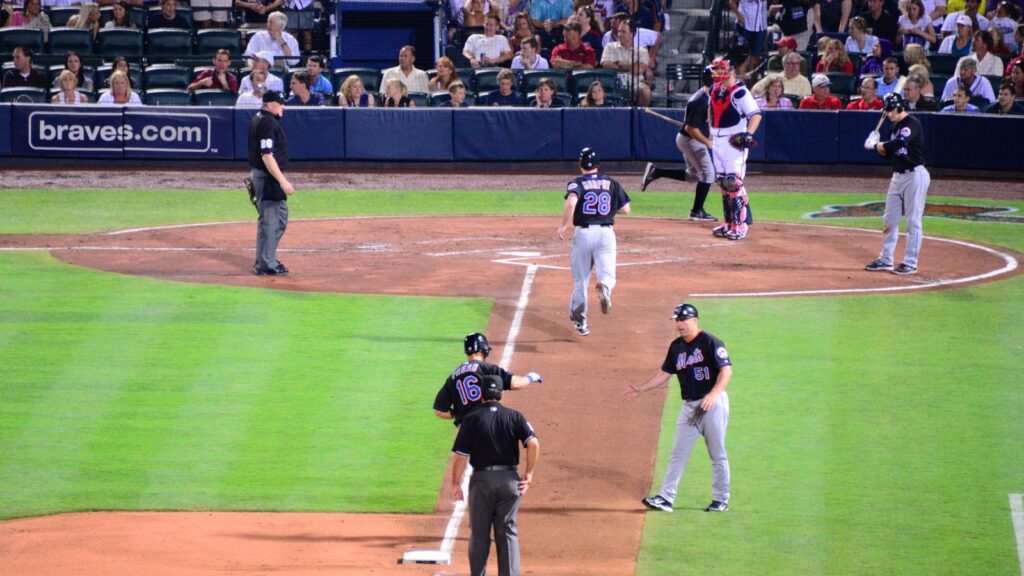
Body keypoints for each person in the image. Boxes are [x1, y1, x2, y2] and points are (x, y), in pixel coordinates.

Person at [625, 303, 733, 514]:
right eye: (677, 321)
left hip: (712, 404)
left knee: (717, 453)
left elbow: (726, 371)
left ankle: (721, 499)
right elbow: (664, 373)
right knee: (677, 454)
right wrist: (641, 388)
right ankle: (666, 498)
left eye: (682, 320)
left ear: (694, 320)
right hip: (689, 407)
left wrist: (714, 393)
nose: (679, 325)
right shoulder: (676, 347)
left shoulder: (710, 342)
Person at [449, 375, 540, 576]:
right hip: (510, 481)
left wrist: (456, 484)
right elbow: (533, 443)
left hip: (481, 482)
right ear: (500, 393)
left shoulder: (471, 419)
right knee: (507, 532)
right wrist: (529, 473)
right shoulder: (515, 416)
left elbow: (459, 457)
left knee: (479, 535)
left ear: (481, 393)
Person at [558, 147, 631, 336]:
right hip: (606, 234)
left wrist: (563, 226)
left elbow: (571, 203)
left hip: (583, 234)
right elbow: (626, 209)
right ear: (598, 164)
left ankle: (580, 322)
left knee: (581, 281)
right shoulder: (611, 182)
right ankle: (605, 287)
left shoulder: (577, 183)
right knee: (608, 274)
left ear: (581, 164)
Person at [863, 92, 931, 276]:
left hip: (915, 175)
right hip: (897, 176)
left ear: (900, 107)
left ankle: (910, 262)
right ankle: (886, 259)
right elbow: (890, 154)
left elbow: (900, 141)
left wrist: (878, 145)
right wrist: (876, 146)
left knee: (913, 221)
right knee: (890, 219)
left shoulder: (911, 124)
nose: (889, 114)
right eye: (887, 111)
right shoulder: (893, 127)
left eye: (892, 110)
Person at [641, 65, 720, 221]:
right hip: (691, 140)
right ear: (713, 81)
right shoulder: (700, 101)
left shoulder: (708, 97)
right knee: (709, 174)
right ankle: (697, 212)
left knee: (693, 176)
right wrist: (708, 142)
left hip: (691, 138)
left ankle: (656, 171)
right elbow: (691, 129)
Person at [433, 333, 541, 426]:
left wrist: (459, 414)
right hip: (486, 424)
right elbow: (516, 384)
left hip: (464, 431)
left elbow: (439, 411)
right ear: (483, 350)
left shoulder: (453, 377)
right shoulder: (488, 369)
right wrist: (531, 377)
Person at [707, 58, 761, 241]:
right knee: (723, 183)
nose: (715, 73)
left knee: (733, 182)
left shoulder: (740, 93)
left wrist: (748, 134)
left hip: (733, 140)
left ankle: (740, 225)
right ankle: (728, 224)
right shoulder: (716, 89)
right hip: (717, 140)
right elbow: (712, 112)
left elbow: (755, 115)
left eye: (719, 69)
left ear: (729, 71)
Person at [248, 90, 295, 276]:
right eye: (279, 103)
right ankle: (266, 264)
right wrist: (282, 180)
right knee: (270, 221)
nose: (283, 106)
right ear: (269, 104)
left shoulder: (261, 118)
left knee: (280, 218)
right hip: (268, 177)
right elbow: (266, 155)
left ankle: (265, 258)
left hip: (265, 176)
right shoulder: (267, 121)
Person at [601, 19, 651, 105]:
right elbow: (606, 64)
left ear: (632, 34)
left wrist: (619, 63)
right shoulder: (610, 46)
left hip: (635, 84)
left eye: (624, 32)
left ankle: (640, 116)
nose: (620, 34)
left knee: (646, 91)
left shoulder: (642, 51)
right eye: (619, 31)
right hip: (613, 82)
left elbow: (638, 70)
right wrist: (631, 67)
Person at [731, 0, 769, 77]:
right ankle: (741, 84)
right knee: (741, 58)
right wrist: (739, 16)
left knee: (755, 59)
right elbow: (732, 2)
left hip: (760, 27)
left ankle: (753, 86)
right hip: (744, 26)